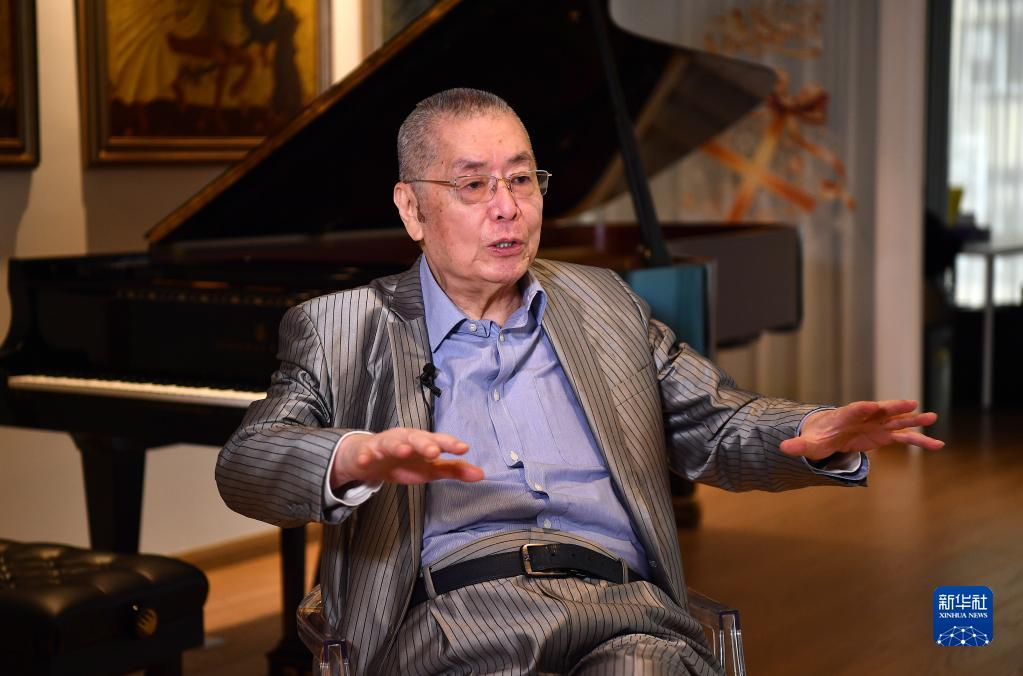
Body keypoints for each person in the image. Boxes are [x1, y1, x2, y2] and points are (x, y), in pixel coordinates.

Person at [216, 88, 943, 675]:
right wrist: (352, 456)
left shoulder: (605, 304)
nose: (507, 206)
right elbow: (246, 462)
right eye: (472, 185)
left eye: (521, 179)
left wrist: (810, 433)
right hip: (455, 622)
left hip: (626, 614)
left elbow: (715, 423)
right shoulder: (341, 327)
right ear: (412, 208)